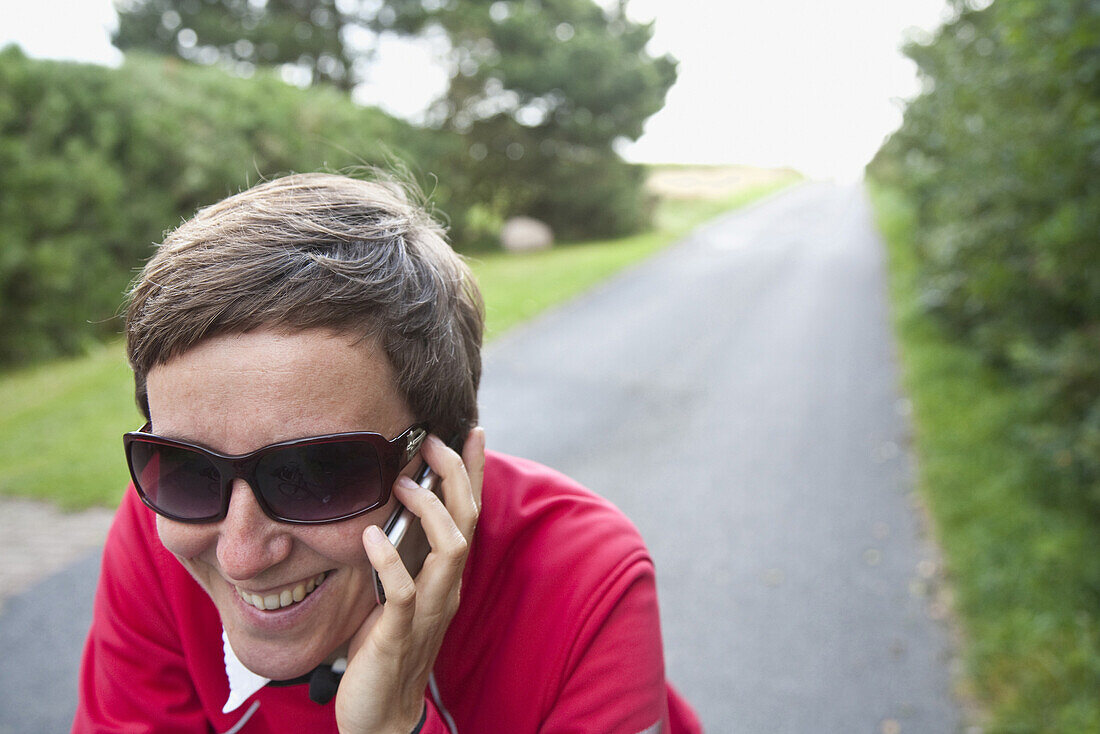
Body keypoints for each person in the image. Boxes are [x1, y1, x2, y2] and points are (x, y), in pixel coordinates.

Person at [73, 172, 702, 733]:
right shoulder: (171, 522)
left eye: (312, 475)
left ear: (442, 467)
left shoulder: (582, 581)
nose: (239, 556)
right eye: (187, 464)